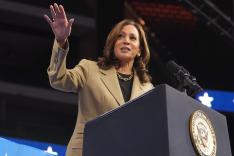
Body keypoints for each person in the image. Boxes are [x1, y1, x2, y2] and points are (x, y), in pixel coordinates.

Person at [44, 3, 154, 156]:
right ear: (113, 44)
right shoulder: (90, 69)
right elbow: (58, 79)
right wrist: (61, 41)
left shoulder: (148, 89)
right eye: (120, 36)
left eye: (132, 38)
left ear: (139, 50)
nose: (126, 41)